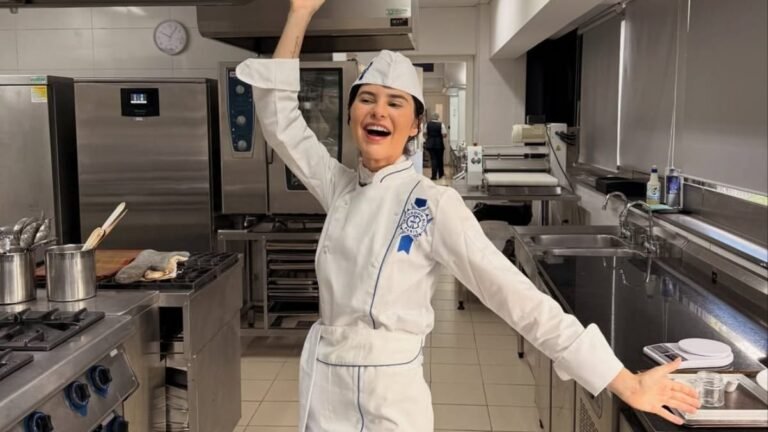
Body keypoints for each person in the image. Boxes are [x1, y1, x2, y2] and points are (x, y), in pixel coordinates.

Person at [235, 1, 699, 430]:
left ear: (415, 125)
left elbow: (515, 295)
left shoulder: (431, 203)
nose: (378, 111)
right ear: (352, 113)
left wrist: (621, 380)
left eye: (395, 103)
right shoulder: (338, 186)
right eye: (367, 99)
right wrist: (300, 12)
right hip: (324, 388)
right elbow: (279, 121)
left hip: (387, 400)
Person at [424, 112, 447, 180]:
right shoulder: (441, 124)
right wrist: (441, 136)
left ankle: (433, 176)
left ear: (432, 117)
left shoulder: (427, 124)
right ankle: (440, 174)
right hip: (439, 144)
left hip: (430, 144)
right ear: (438, 117)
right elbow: (444, 134)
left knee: (433, 159)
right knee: (440, 159)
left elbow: (424, 133)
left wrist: (428, 138)